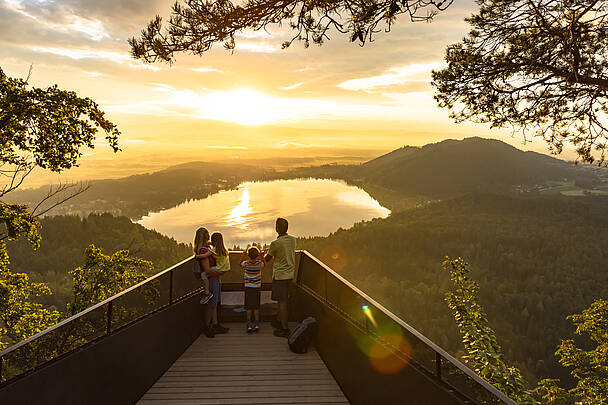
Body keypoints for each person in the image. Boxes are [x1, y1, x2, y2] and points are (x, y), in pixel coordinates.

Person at [193, 227, 229, 338]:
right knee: (210, 305)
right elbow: (207, 270)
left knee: (214, 304)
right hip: (211, 280)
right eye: (207, 234)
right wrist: (220, 273)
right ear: (205, 236)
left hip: (214, 279)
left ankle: (216, 324)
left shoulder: (207, 248)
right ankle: (207, 327)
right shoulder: (203, 251)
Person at [265, 217, 296, 338]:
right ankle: (279, 321)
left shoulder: (275, 244)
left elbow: (267, 259)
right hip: (290, 275)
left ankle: (285, 329)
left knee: (281, 303)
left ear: (277, 229)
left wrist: (265, 253)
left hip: (280, 277)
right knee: (285, 301)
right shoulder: (293, 240)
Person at [240, 246, 265, 333]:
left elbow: (240, 263)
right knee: (256, 307)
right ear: (257, 255)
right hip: (257, 288)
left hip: (248, 287)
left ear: (248, 255)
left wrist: (243, 255)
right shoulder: (259, 263)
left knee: (248, 307)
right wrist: (262, 255)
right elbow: (264, 264)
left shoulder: (246, 263)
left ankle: (249, 325)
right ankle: (257, 324)